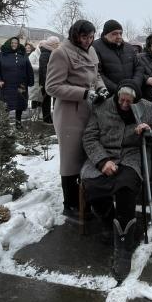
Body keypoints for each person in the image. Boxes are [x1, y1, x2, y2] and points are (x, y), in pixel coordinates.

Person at [82, 79, 152, 282]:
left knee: (126, 187)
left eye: (129, 102)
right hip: (104, 154)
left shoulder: (147, 108)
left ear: (136, 100)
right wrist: (102, 161)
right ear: (117, 96)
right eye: (122, 100)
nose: (125, 104)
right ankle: (109, 222)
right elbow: (89, 137)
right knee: (93, 184)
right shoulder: (102, 106)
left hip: (131, 156)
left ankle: (123, 247)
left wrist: (149, 132)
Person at [45, 20, 108, 219]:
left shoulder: (91, 51)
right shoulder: (61, 53)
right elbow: (52, 87)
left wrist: (101, 88)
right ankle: (70, 204)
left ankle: (86, 197)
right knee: (71, 158)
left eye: (91, 37)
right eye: (84, 37)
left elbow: (95, 75)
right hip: (70, 111)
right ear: (75, 35)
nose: (88, 41)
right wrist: (83, 93)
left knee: (87, 153)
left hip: (90, 108)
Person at [0, 37, 35, 129]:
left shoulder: (22, 55)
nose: (14, 44)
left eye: (16, 43)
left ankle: (18, 122)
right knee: (5, 104)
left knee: (20, 104)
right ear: (8, 43)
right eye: (12, 43)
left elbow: (29, 69)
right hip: (6, 85)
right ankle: (4, 123)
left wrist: (30, 81)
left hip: (21, 85)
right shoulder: (2, 55)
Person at [37, 36, 61, 124]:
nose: (58, 45)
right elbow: (44, 70)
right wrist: (47, 82)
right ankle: (46, 118)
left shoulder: (52, 52)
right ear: (52, 44)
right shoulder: (45, 54)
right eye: (56, 44)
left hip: (54, 80)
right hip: (47, 81)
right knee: (46, 100)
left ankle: (55, 116)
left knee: (56, 99)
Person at [27, 42, 43, 117]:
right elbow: (29, 65)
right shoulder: (33, 54)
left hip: (42, 79)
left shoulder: (45, 54)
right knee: (34, 97)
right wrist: (39, 68)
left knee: (41, 97)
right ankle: (34, 114)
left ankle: (39, 113)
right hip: (35, 79)